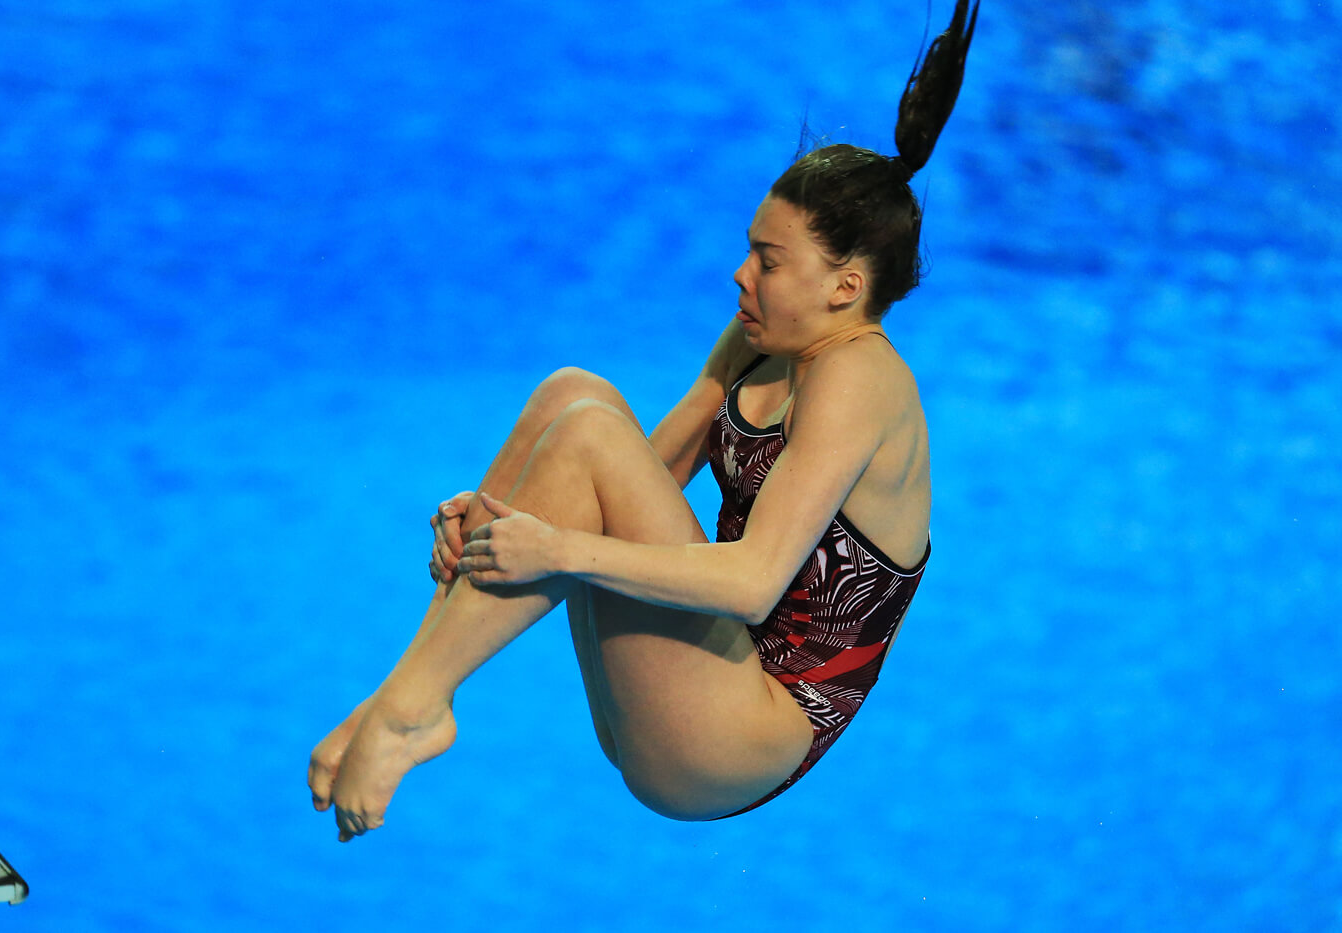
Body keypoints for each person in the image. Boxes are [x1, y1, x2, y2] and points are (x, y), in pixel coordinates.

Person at [308, 0, 981, 842]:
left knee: (585, 431)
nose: (740, 276)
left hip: (743, 733)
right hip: (691, 686)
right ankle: (401, 697)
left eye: (768, 261)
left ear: (844, 287)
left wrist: (552, 550)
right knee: (572, 397)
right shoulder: (765, 335)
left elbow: (753, 580)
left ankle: (407, 708)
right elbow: (640, 472)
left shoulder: (859, 375)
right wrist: (498, 511)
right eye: (749, 248)